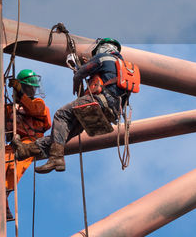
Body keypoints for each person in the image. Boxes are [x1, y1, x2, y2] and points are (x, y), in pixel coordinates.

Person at [15, 38, 137, 174]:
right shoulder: (124, 67)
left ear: (103, 48)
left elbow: (79, 74)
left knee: (61, 115)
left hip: (99, 102)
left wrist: (78, 70)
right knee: (61, 134)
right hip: (111, 112)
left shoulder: (104, 58)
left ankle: (56, 158)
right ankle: (25, 150)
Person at [4, 69, 51, 217]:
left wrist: (21, 95)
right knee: (0, 169)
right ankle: (1, 203)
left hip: (30, 142)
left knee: (14, 168)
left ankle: (2, 198)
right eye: (29, 87)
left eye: (33, 88)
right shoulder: (9, 108)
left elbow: (32, 109)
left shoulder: (38, 103)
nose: (33, 90)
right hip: (13, 143)